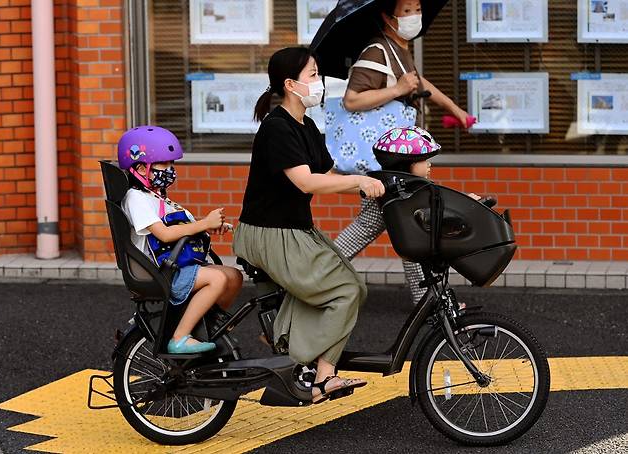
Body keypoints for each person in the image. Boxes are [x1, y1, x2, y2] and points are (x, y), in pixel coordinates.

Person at [233, 47, 386, 404]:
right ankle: (318, 373)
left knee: (352, 288)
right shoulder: (277, 128)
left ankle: (286, 337)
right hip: (270, 232)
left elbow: (328, 173)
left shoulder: (307, 125)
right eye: (313, 75)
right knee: (344, 290)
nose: (320, 83)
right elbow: (306, 182)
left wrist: (377, 178)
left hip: (293, 228)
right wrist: (358, 184)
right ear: (290, 84)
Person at [334, 0, 473, 305]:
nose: (415, 16)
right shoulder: (376, 51)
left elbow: (420, 84)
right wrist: (396, 90)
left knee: (404, 222)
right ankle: (313, 276)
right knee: (402, 221)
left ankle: (315, 275)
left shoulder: (399, 51)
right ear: (388, 16)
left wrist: (454, 109)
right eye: (407, 10)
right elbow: (352, 100)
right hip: (386, 160)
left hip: (393, 161)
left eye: (418, 8)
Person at [118, 126, 243, 354]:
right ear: (139, 168)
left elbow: (182, 229)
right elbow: (164, 234)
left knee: (233, 276)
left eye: (171, 164)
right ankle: (181, 337)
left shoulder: (158, 197)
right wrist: (203, 223)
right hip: (162, 271)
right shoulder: (136, 198)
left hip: (178, 265)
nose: (169, 170)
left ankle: (205, 324)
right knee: (216, 279)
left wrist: (208, 228)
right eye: (162, 165)